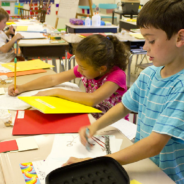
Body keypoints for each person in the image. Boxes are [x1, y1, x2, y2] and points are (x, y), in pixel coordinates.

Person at [63, 0, 184, 183]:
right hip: (142, 164)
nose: (145, 47)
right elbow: (124, 107)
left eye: (151, 40)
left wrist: (97, 162)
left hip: (167, 177)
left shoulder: (181, 87)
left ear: (180, 38)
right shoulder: (149, 74)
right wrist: (94, 126)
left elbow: (154, 145)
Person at [8, 34, 129, 120]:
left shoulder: (117, 76)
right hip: (92, 117)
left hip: (115, 124)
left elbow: (92, 99)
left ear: (102, 68)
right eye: (79, 65)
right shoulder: (88, 68)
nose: (79, 70)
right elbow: (53, 79)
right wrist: (22, 87)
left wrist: (56, 91)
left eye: (83, 67)